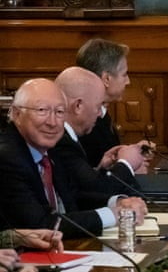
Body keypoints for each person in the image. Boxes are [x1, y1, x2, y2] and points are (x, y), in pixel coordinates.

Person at [0, 78, 145, 239]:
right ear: (17, 114)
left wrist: (116, 203)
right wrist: (112, 216)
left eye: (60, 112)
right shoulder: (7, 157)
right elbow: (41, 225)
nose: (52, 122)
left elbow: (72, 198)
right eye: (42, 110)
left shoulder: (49, 147)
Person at [49, 66, 149, 200]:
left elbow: (79, 187)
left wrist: (100, 169)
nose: (100, 113)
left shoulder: (68, 136)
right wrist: (126, 163)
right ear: (78, 106)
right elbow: (98, 188)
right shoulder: (61, 140)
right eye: (98, 106)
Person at [76, 38, 154, 169]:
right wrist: (129, 169)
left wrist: (133, 154)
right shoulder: (86, 122)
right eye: (124, 75)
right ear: (106, 78)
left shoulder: (103, 114)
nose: (128, 81)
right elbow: (94, 175)